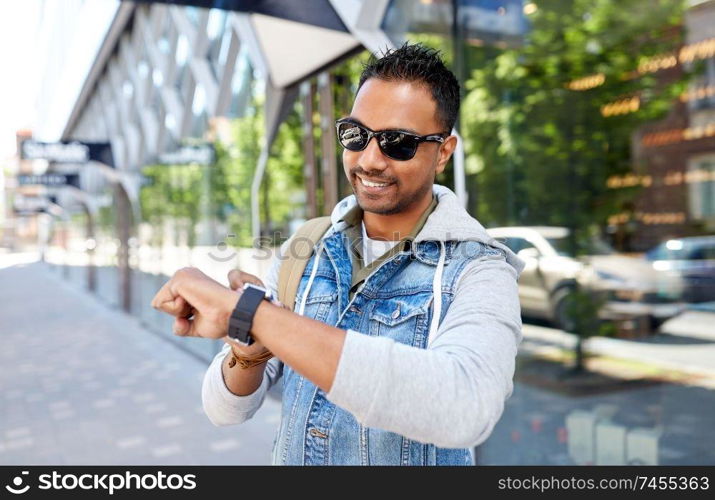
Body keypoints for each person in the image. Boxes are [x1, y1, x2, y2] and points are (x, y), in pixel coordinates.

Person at [151, 43, 525, 466]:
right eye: (356, 135)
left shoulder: (480, 270)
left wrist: (255, 314)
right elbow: (225, 410)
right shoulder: (305, 250)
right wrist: (249, 346)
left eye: (397, 143)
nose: (369, 160)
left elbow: (465, 408)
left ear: (443, 151)